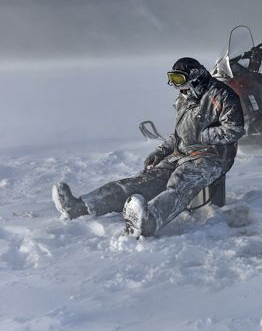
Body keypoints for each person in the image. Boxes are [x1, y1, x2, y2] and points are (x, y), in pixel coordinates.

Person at [52, 57, 245, 236]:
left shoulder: (222, 95)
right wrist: (161, 152)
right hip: (181, 153)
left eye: (179, 79)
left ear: (195, 77)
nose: (176, 85)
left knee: (179, 183)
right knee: (141, 182)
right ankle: (81, 206)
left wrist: (204, 135)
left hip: (211, 157)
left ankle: (149, 221)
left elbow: (234, 129)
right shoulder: (183, 99)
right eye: (172, 79)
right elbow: (180, 134)